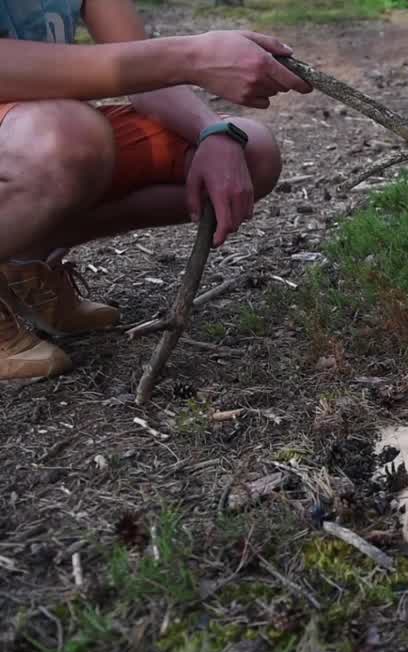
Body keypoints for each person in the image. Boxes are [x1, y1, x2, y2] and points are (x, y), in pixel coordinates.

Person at [0, 0, 312, 381]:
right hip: (39, 138)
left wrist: (212, 132)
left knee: (250, 152)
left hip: (23, 138)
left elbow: (145, 81)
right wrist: (191, 56)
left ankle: (25, 262)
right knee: (67, 140)